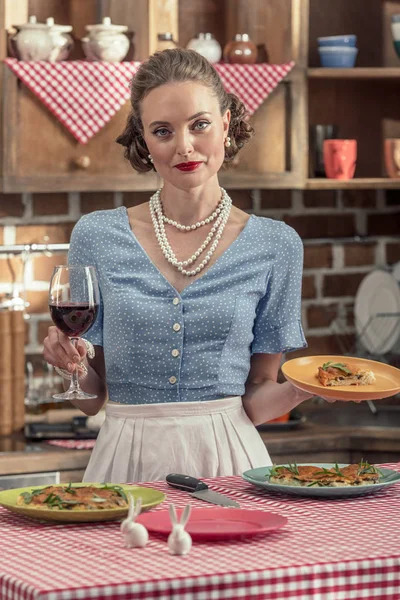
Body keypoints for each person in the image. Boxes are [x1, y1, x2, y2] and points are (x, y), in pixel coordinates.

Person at [43, 48, 315, 483]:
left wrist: (308, 386)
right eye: (163, 131)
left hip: (230, 460)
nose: (184, 146)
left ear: (226, 124)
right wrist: (69, 364)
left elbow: (257, 397)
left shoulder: (276, 244)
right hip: (126, 459)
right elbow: (92, 399)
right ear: (145, 141)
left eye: (200, 124)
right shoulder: (96, 236)